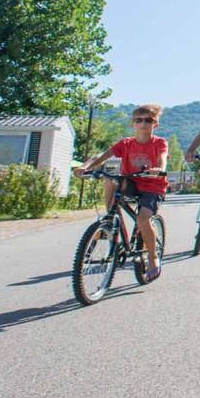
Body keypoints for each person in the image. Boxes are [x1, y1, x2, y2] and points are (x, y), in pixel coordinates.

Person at [74, 104, 168, 281]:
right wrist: (85, 166)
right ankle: (110, 222)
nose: (143, 123)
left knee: (142, 219)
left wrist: (159, 168)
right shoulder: (125, 143)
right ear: (133, 123)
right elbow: (101, 155)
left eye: (148, 120)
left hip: (152, 187)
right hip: (131, 182)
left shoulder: (159, 143)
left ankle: (153, 257)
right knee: (110, 179)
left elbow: (162, 159)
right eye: (139, 120)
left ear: (155, 124)